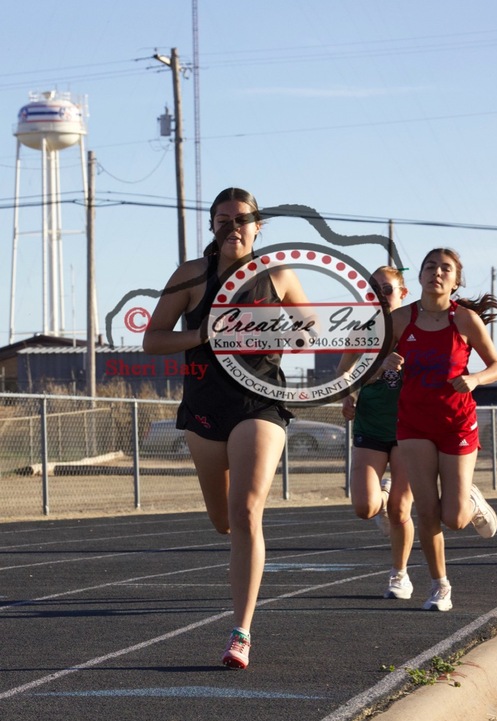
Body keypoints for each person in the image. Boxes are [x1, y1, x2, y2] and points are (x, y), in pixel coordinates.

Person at [143, 187, 310, 668]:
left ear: (259, 227)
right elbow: (152, 340)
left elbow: (310, 327)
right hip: (204, 405)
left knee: (247, 512)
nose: (232, 227)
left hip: (261, 402)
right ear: (211, 226)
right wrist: (203, 334)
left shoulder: (277, 274)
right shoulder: (192, 276)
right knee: (223, 520)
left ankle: (241, 632)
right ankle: (239, 552)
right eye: (223, 220)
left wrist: (278, 330)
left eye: (242, 219)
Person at [379, 247, 497, 611]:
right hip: (414, 423)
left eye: (445, 269)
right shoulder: (401, 319)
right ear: (419, 277)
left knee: (454, 517)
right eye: (430, 266)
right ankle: (440, 586)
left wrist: (476, 378)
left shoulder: (464, 319)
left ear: (455, 280)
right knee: (427, 510)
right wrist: (386, 362)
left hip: (457, 423)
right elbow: (370, 366)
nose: (436, 272)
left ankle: (470, 500)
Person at [341, 266, 415, 601]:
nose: (379, 295)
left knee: (400, 511)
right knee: (365, 507)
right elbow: (343, 374)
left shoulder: (420, 329)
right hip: (371, 425)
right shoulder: (363, 331)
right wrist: (348, 395)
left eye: (386, 289)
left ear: (403, 292)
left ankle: (399, 574)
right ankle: (381, 494)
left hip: (410, 429)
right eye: (373, 289)